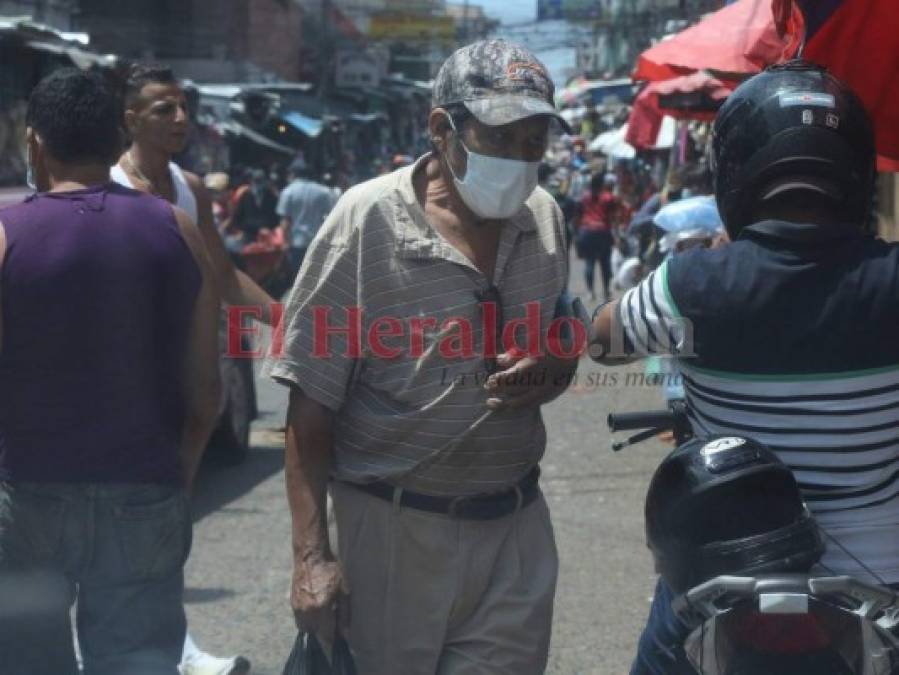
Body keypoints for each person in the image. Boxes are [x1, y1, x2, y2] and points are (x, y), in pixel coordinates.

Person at [266, 39, 579, 675]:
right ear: (443, 129)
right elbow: (310, 406)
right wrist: (311, 558)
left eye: (534, 143)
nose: (521, 160)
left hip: (514, 527)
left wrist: (554, 367)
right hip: (391, 532)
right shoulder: (365, 220)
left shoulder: (544, 218)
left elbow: (560, 341)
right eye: (502, 138)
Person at [588, 62, 899, 673]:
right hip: (881, 590)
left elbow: (603, 338)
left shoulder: (694, 284)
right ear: (857, 173)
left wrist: (716, 266)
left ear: (733, 175)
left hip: (725, 585)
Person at [0, 68, 220, 675]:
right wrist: (180, 480)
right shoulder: (177, 230)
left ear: (35, 143)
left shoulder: (6, 236)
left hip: (28, 498)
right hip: (144, 489)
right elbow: (206, 392)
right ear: (113, 136)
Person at [113, 62, 257, 675]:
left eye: (181, 107)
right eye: (162, 109)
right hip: (120, 384)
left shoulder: (190, 186)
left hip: (190, 384)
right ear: (130, 119)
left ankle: (174, 645)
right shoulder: (106, 188)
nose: (179, 119)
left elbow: (223, 279)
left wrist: (300, 319)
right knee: (118, 523)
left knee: (173, 515)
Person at [276, 157, 336, 275]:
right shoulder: (323, 191)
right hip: (317, 242)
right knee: (317, 276)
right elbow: (331, 218)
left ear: (293, 174)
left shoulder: (288, 192)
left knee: (298, 278)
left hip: (296, 243)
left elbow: (285, 221)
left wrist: (285, 243)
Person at [575, 172, 621, 302]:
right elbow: (614, 218)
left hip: (587, 231)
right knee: (605, 264)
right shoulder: (609, 198)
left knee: (589, 263)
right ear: (603, 183)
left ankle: (590, 292)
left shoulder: (584, 197)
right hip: (603, 232)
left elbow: (578, 216)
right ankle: (606, 292)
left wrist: (578, 234)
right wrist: (616, 235)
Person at [230, 169, 278, 246]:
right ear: (251, 181)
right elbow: (238, 217)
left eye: (260, 180)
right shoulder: (245, 196)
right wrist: (242, 230)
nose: (258, 184)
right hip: (249, 235)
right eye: (256, 180)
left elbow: (275, 217)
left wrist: (268, 228)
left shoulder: (271, 197)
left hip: (267, 236)